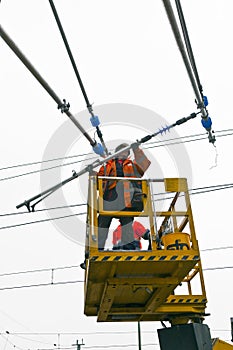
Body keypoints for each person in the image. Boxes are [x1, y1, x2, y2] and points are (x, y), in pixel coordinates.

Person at [97, 143, 151, 251]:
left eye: (126, 151)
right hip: (110, 198)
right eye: (121, 151)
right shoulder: (107, 165)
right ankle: (96, 250)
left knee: (127, 223)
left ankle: (129, 248)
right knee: (102, 225)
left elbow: (144, 164)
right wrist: (91, 172)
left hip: (126, 199)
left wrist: (136, 149)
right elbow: (98, 180)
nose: (124, 153)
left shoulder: (132, 165)